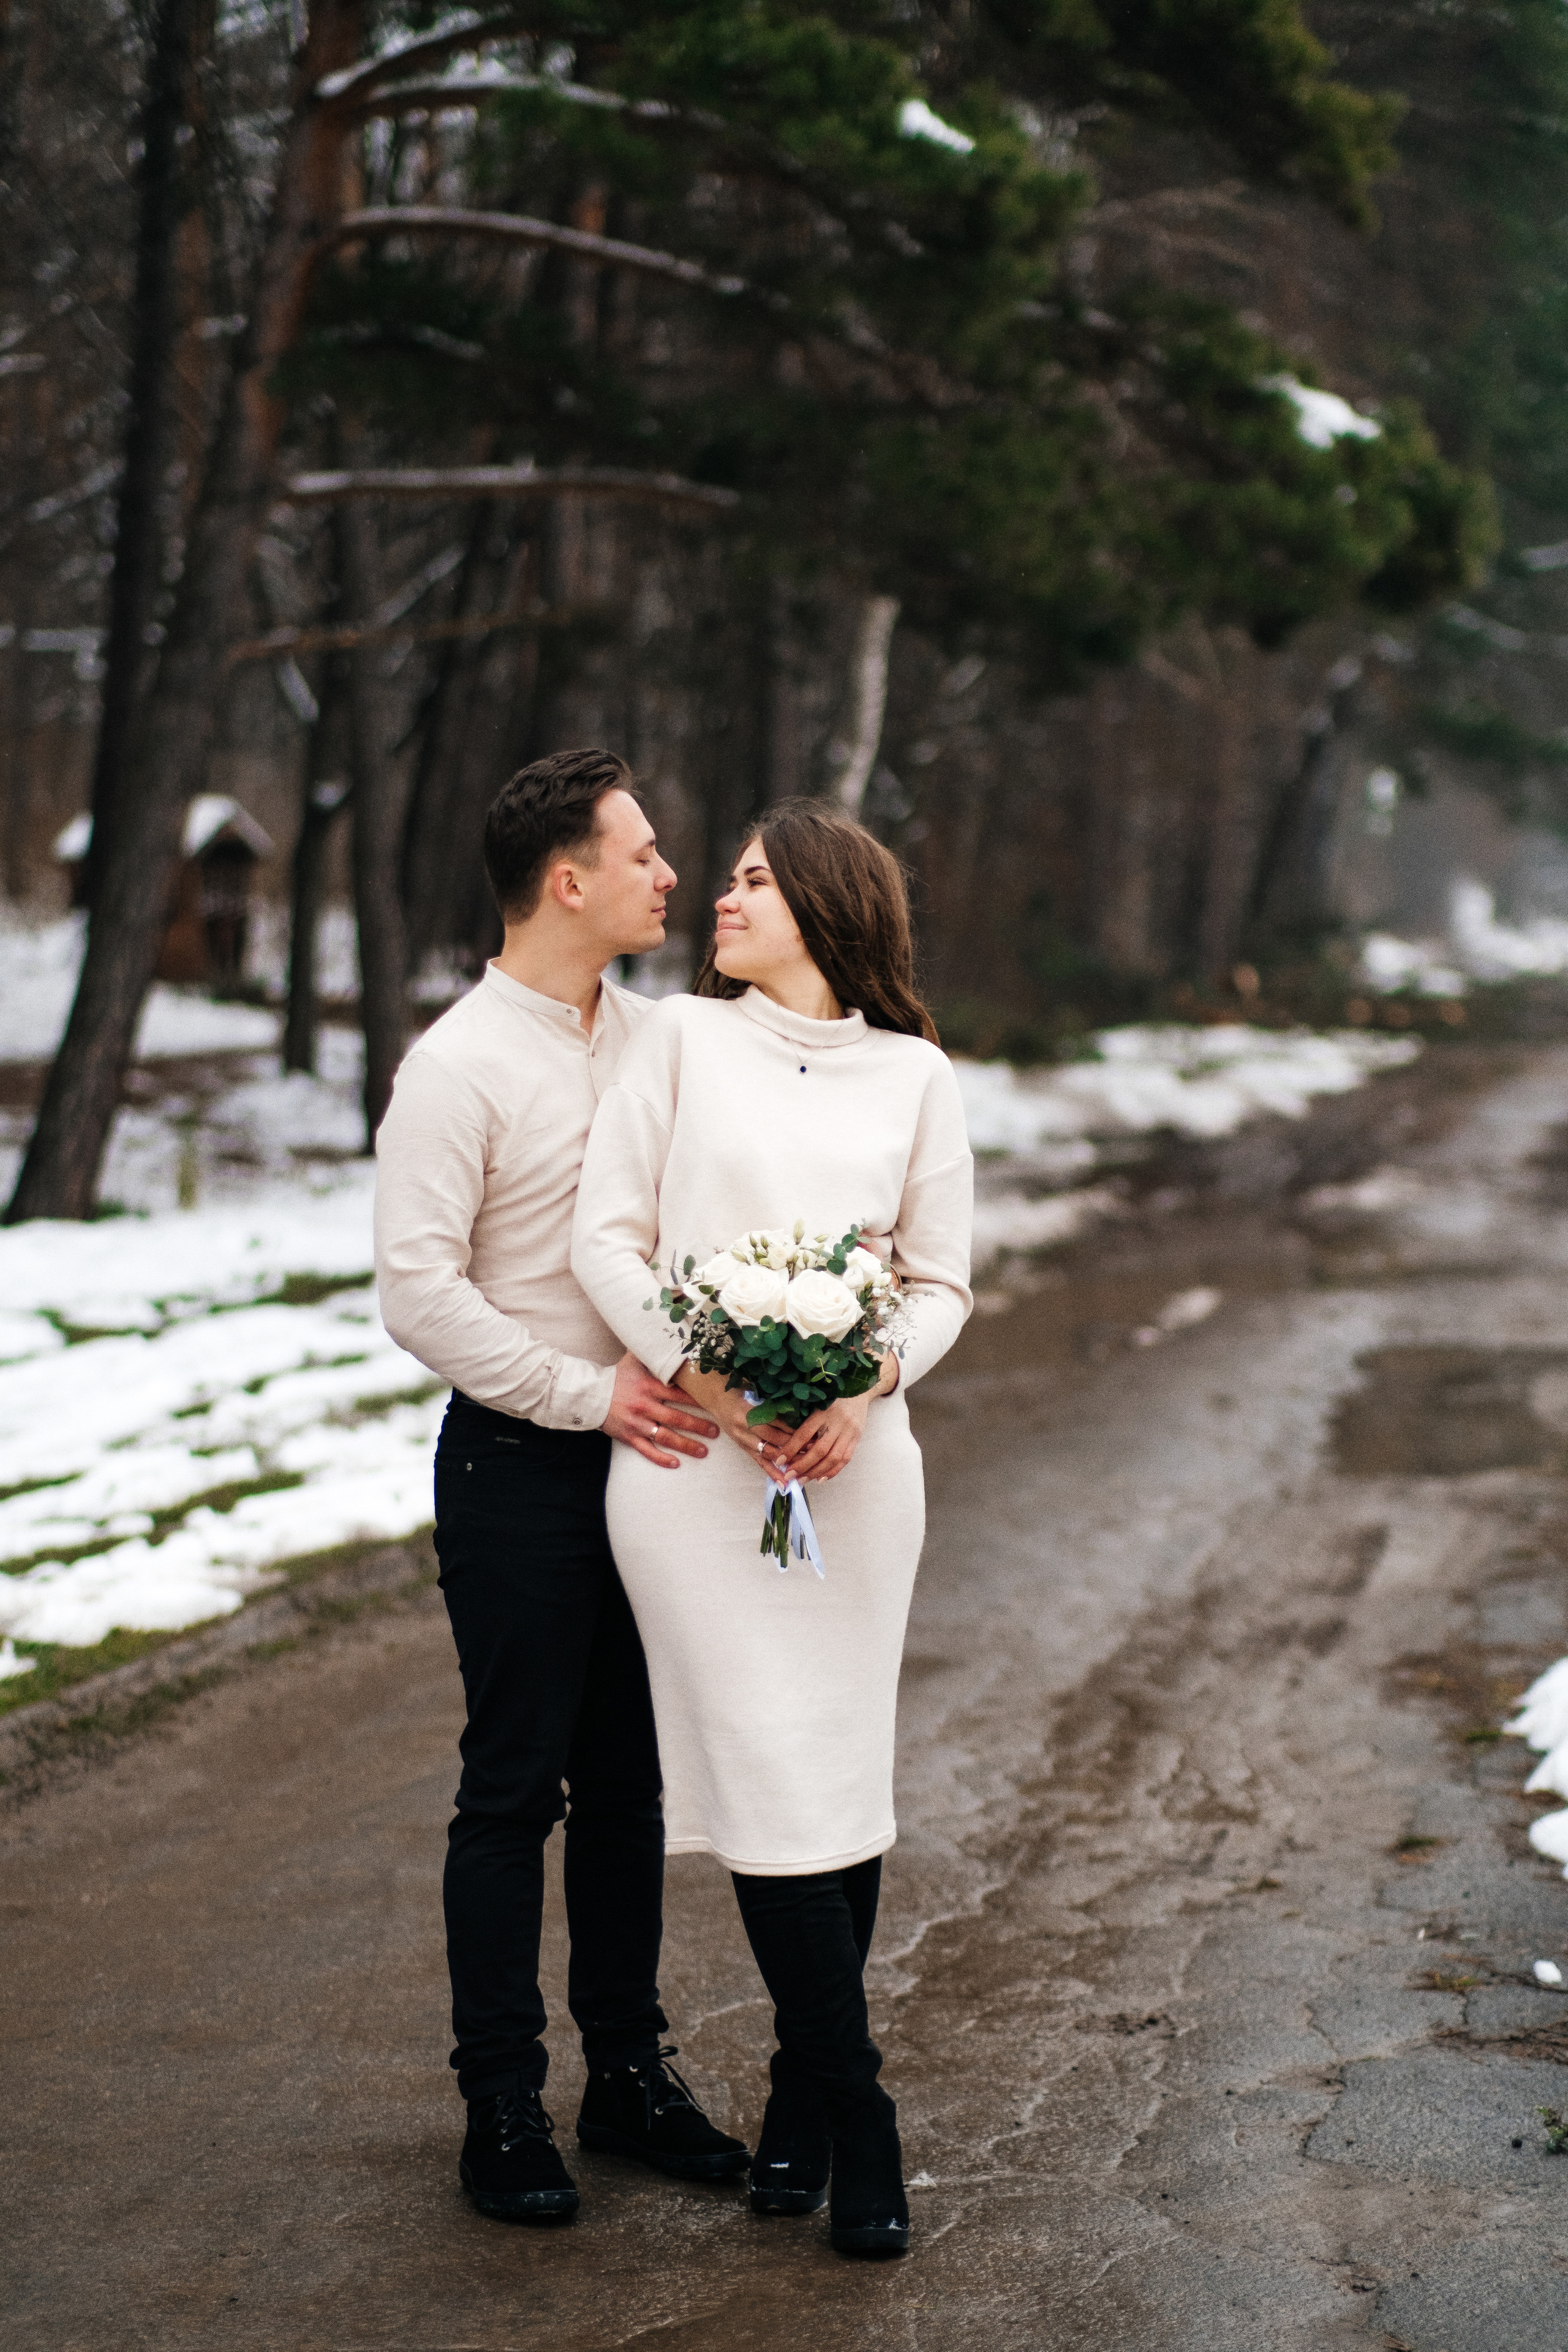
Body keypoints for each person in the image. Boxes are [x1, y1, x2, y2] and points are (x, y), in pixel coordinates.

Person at [571, 799, 973, 2258]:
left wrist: (865, 1381)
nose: (717, 900)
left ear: (821, 903)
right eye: (724, 880)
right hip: (693, 1467)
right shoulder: (673, 1042)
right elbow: (603, 1239)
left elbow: (938, 1282)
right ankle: (860, 2105)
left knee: (837, 1768)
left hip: (856, 1475)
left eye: (747, 881)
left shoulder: (915, 1076)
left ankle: (802, 2108)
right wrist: (698, 1373)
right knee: (763, 1769)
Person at [374, 748, 748, 2226]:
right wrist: (584, 1394)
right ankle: (501, 2103)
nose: (671, 875)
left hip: (660, 1469)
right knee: (512, 1788)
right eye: (643, 853)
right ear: (565, 880)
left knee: (632, 1790)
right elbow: (419, 1293)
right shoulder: (456, 1064)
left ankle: (628, 2081)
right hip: (520, 1466)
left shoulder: (663, 1041)